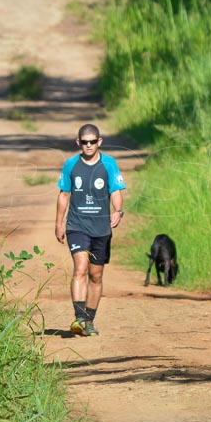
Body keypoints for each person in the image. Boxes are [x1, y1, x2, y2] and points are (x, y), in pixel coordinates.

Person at [55, 124, 126, 337]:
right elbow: (63, 195)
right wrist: (59, 223)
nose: (88, 145)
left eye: (92, 142)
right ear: (78, 143)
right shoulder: (71, 165)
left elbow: (116, 191)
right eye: (84, 142)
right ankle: (78, 317)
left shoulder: (109, 164)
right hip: (77, 225)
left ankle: (89, 321)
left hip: (101, 228)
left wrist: (118, 211)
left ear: (99, 142)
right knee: (80, 268)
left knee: (96, 275)